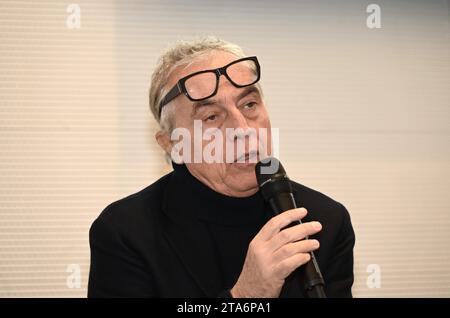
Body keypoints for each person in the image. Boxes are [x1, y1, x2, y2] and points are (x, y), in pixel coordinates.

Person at [87, 36, 355, 298]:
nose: (243, 128)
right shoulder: (126, 233)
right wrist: (245, 297)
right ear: (171, 144)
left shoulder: (324, 222)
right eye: (212, 116)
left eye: (249, 104)